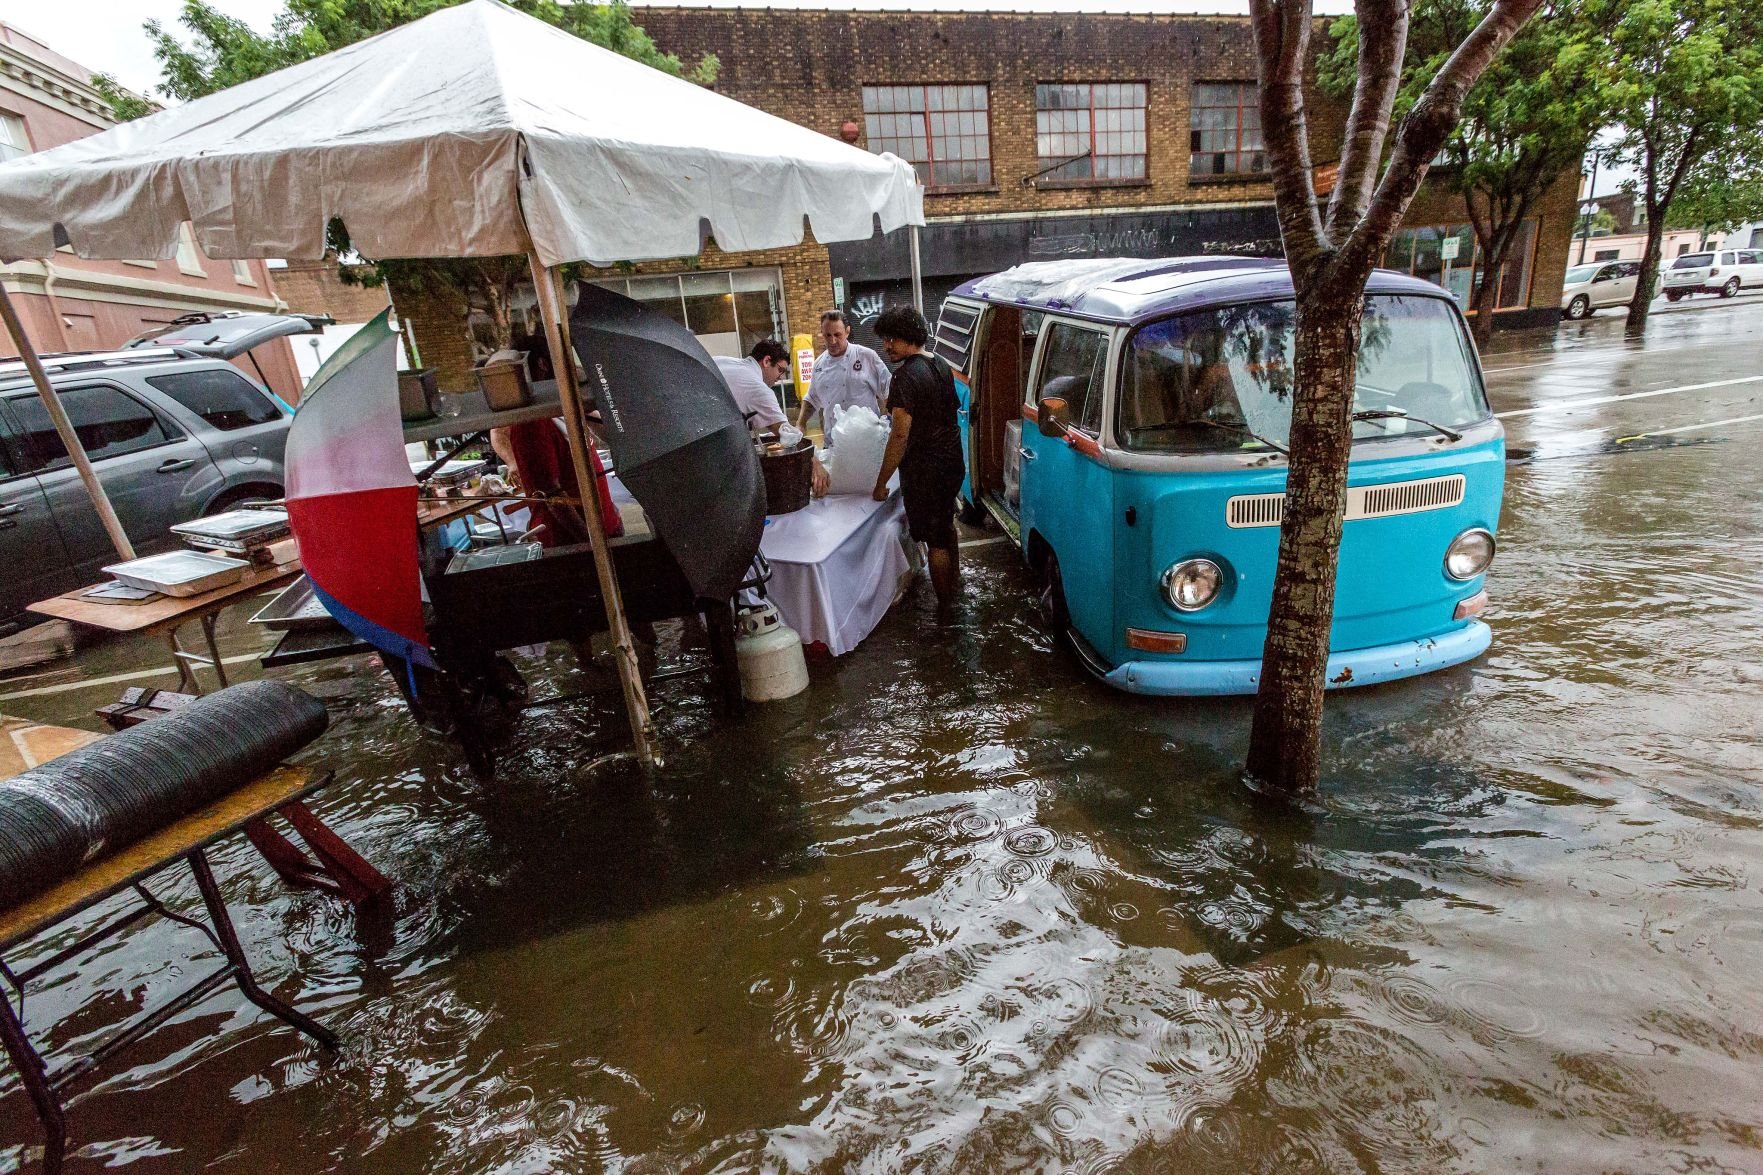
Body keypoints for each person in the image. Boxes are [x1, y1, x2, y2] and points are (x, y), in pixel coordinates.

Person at [871, 304, 965, 606]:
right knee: (946, 526)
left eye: (892, 339)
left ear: (909, 337)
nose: (886, 346)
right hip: (952, 463)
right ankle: (956, 585)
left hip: (927, 472)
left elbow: (899, 435)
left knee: (935, 540)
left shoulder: (905, 377)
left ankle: (947, 609)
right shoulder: (939, 363)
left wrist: (881, 482)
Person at [489, 418, 623, 548]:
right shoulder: (532, 426)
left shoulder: (567, 411)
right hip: (573, 543)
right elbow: (553, 497)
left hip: (604, 528)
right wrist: (591, 542)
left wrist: (611, 513)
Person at [795, 310, 890, 430]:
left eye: (837, 335)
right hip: (834, 441)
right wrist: (800, 424)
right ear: (822, 333)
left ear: (847, 331)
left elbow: (889, 391)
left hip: (867, 440)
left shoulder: (867, 356)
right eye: (828, 335)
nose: (832, 341)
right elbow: (812, 399)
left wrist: (889, 423)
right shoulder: (819, 365)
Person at [713, 340, 791, 434]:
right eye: (780, 370)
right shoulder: (758, 388)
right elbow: (785, 433)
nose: (781, 377)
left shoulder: (720, 361)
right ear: (766, 361)